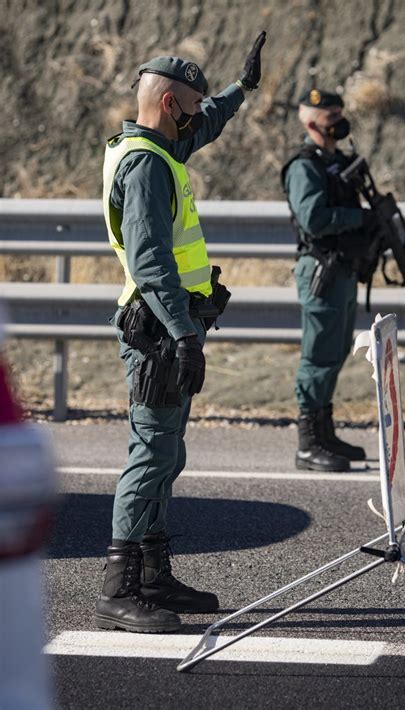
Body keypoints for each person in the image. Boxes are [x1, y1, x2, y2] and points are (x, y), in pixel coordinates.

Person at [96, 33, 266, 633]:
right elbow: (149, 262)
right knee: (151, 452)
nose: (199, 115)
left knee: (168, 450)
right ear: (170, 104)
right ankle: (120, 589)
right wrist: (183, 334)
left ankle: (154, 572)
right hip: (158, 329)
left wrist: (239, 90)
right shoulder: (145, 166)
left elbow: (208, 122)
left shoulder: (156, 148)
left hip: (170, 327)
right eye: (192, 104)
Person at [281, 87, 378, 473]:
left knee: (336, 352)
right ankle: (308, 444)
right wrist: (359, 219)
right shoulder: (305, 166)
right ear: (310, 122)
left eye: (340, 113)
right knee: (319, 355)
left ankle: (325, 433)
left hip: (342, 270)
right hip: (322, 270)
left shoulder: (336, 162)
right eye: (329, 116)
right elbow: (314, 219)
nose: (338, 121)